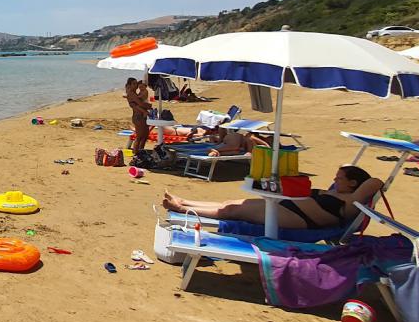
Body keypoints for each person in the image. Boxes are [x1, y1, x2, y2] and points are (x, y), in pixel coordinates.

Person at [162, 165, 383, 230]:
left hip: (300, 219)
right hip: (288, 207)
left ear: (354, 183)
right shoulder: (335, 191)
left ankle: (181, 209)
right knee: (229, 203)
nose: (336, 179)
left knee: (231, 212)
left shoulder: (350, 201)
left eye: (340, 177)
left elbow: (376, 182)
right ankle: (184, 201)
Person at [125, 78, 154, 152]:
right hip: (138, 117)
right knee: (140, 137)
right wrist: (149, 106)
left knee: (144, 136)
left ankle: (140, 152)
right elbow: (140, 104)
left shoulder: (136, 93)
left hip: (141, 116)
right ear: (130, 85)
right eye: (133, 84)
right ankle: (136, 153)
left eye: (136, 84)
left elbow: (139, 104)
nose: (136, 85)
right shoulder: (131, 94)